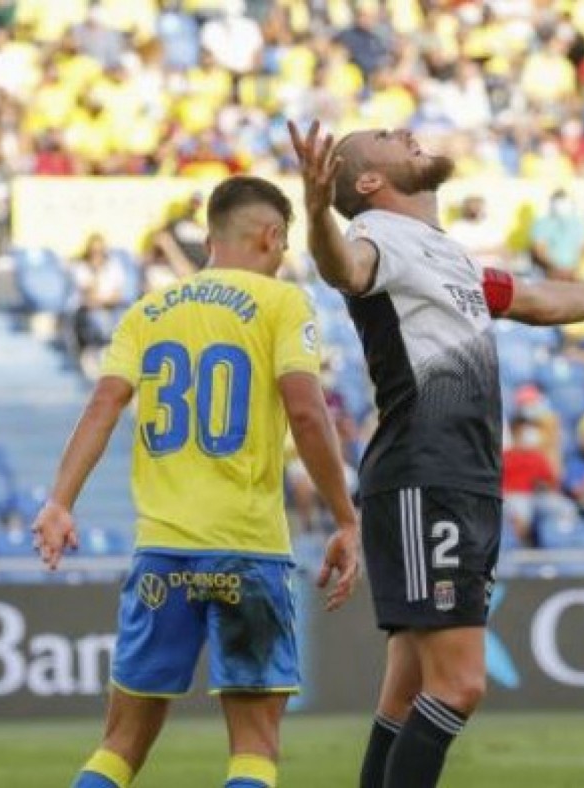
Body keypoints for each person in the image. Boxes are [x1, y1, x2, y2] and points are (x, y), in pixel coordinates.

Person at [288, 120, 584, 788]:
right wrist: (312, 205)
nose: (405, 129)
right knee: (460, 686)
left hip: (461, 476)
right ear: (369, 181)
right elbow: (342, 268)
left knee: (407, 693)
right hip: (426, 473)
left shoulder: (448, 258)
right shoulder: (374, 239)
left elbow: (534, 299)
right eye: (388, 137)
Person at [31, 176, 361, 788]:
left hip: (162, 553)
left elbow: (103, 404)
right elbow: (308, 412)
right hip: (248, 550)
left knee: (119, 747)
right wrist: (345, 517)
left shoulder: (147, 312)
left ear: (209, 237)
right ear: (272, 237)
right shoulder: (283, 304)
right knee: (254, 749)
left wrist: (59, 501)